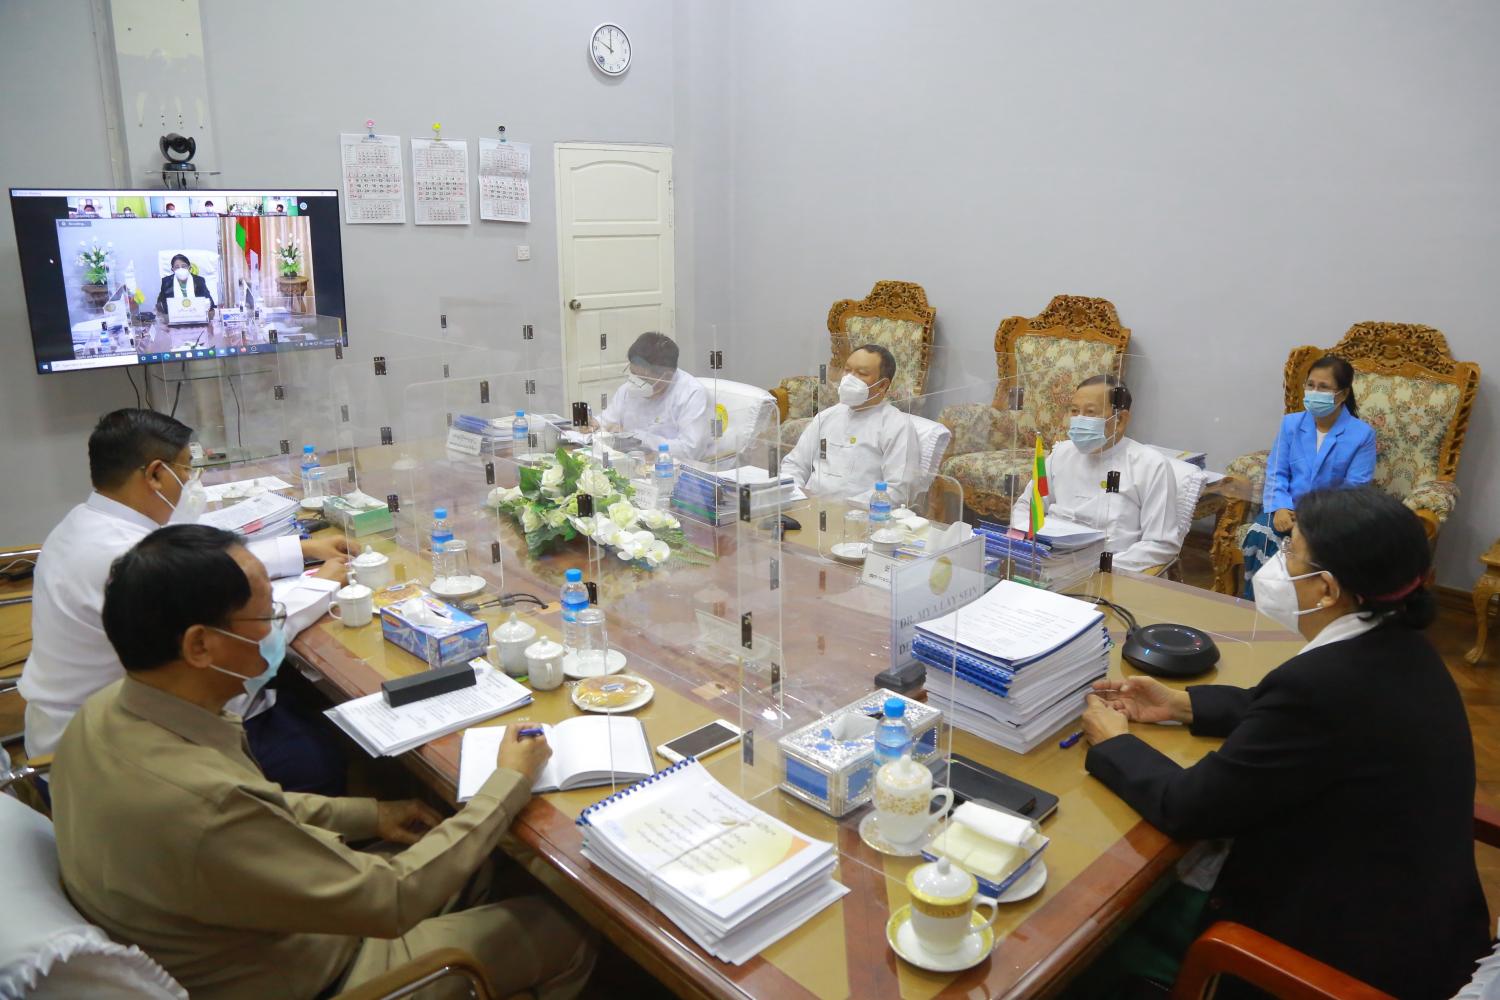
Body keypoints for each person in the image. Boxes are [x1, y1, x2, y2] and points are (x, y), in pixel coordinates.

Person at [51, 524, 594, 999]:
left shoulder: (103, 715)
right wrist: (508, 782)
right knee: (568, 929)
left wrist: (369, 814)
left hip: (246, 928)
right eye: (266, 614)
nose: (274, 629)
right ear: (200, 646)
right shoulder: (202, 804)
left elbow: (257, 811)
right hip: (324, 975)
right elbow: (392, 898)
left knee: (477, 863)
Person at [1079, 485, 1488, 998]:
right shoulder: (1402, 646)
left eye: (1290, 551)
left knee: (1094, 941)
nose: (1277, 563)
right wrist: (1182, 705)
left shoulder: (1322, 686)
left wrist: (1113, 743)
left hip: (1329, 959)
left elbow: (1188, 807)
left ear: (1327, 590)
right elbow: (1290, 713)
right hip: (1425, 929)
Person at [18, 409, 349, 794]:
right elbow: (246, 638)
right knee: (317, 754)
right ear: (156, 475)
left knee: (295, 701)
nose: (192, 482)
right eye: (187, 469)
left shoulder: (83, 524)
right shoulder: (121, 556)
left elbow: (201, 563)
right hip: (113, 762)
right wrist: (322, 587)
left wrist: (300, 549)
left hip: (74, 732)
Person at [1011, 375, 1179, 573]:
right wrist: (1027, 540)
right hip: (1048, 563)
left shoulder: (1150, 465)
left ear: (1120, 420)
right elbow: (1026, 506)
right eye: (1075, 411)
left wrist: (1101, 569)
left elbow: (1161, 544)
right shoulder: (1061, 454)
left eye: (1090, 413)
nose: (1079, 420)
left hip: (1110, 573)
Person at [1241, 354, 1375, 598]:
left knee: (1307, 551)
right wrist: (1280, 507)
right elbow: (1276, 471)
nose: (1314, 392)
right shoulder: (1290, 424)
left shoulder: (1362, 435)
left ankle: (1296, 613)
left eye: (1323, 387)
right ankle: (1254, 607)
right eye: (1311, 385)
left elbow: (1355, 489)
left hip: (1329, 519)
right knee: (1261, 533)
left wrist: (1312, 519)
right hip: (1286, 510)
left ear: (1343, 394)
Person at [780, 343, 922, 506]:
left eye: (861, 373)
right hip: (808, 507)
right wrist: (795, 497)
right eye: (847, 370)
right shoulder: (827, 416)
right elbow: (795, 464)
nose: (849, 378)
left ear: (882, 385)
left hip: (858, 515)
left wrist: (844, 509)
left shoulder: (897, 426)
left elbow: (898, 490)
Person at [596, 331, 710, 461]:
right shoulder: (628, 389)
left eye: (643, 378)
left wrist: (636, 438)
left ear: (666, 376)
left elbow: (690, 450)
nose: (635, 382)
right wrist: (596, 425)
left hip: (669, 467)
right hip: (630, 462)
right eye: (633, 374)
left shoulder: (691, 393)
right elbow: (606, 421)